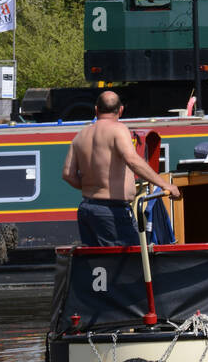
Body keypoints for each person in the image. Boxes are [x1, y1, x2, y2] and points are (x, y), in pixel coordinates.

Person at [62, 90, 180, 246]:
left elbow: (68, 174)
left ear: (96, 109)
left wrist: (94, 187)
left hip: (87, 210)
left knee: (99, 264)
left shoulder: (80, 135)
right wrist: (165, 185)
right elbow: (132, 160)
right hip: (112, 211)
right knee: (132, 263)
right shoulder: (118, 130)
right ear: (121, 110)